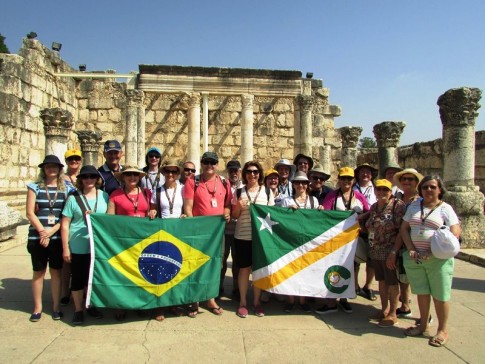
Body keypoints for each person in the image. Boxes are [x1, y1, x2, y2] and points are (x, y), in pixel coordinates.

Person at [401, 176, 460, 347]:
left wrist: (436, 247)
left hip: (438, 259)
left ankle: (442, 330)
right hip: (416, 257)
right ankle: (423, 325)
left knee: (440, 296)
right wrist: (411, 248)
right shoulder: (414, 206)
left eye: (432, 187)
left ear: (439, 189)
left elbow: (455, 231)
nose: (428, 190)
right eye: (425, 187)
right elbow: (404, 228)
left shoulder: (445, 209)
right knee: (422, 293)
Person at [183, 151, 232, 318]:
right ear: (202, 164)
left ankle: (210, 298)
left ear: (217, 165)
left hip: (217, 232)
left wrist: (227, 214)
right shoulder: (193, 182)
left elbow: (227, 206)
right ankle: (195, 300)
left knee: (216, 264)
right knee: (197, 264)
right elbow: (188, 207)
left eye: (213, 162)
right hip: (199, 232)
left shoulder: (225, 183)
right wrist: (193, 226)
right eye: (206, 162)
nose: (209, 165)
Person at [316, 166, 369, 315]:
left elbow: (369, 211)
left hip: (353, 239)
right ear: (339, 180)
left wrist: (362, 219)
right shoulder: (332, 196)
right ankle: (332, 300)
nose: (346, 181)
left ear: (353, 180)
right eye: (343, 178)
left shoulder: (359, 196)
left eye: (349, 179)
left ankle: (345, 299)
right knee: (334, 268)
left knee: (352, 268)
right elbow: (325, 215)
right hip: (336, 240)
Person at [61, 165, 109, 325]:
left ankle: (90, 305)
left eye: (92, 176)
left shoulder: (104, 196)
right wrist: (66, 247)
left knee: (93, 278)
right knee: (78, 278)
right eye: (85, 177)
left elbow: (109, 220)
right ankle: (78, 309)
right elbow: (65, 223)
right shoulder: (73, 198)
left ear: (97, 179)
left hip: (98, 245)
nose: (89, 179)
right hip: (78, 245)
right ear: (80, 179)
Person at [26, 155, 71, 322]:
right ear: (43, 169)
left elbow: (67, 214)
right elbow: (30, 212)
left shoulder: (66, 188)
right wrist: (42, 232)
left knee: (56, 272)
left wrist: (51, 231)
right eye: (48, 166)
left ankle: (55, 306)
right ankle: (37, 307)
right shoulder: (34, 187)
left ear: (59, 169)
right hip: (37, 235)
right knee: (38, 272)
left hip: (57, 235)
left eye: (54, 166)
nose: (51, 169)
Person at [108, 166, 152, 320]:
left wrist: (153, 212)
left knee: (141, 272)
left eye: (135, 174)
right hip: (124, 241)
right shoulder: (115, 195)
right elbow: (109, 219)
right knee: (123, 274)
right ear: (123, 177)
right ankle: (122, 305)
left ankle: (140, 304)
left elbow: (152, 211)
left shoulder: (147, 193)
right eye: (128, 174)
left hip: (143, 240)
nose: (132, 177)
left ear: (139, 177)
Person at [232, 161, 274, 318]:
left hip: (261, 238)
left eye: (255, 172)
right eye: (249, 172)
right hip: (242, 236)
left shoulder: (268, 192)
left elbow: (273, 214)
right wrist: (238, 207)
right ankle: (243, 303)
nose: (252, 174)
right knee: (244, 270)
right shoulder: (238, 192)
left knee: (258, 271)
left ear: (260, 174)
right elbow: (235, 216)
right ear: (245, 174)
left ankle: (256, 302)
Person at [362, 179, 406, 327]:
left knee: (392, 282)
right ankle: (384, 309)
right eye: (379, 189)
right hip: (375, 250)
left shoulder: (397, 206)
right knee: (381, 281)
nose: (381, 193)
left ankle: (393, 313)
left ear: (390, 192)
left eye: (385, 190)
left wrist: (395, 251)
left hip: (390, 251)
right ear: (375, 191)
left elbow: (402, 230)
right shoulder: (374, 207)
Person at [147, 159, 185, 321]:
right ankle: (160, 305)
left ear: (178, 174)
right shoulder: (158, 191)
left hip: (179, 234)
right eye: (167, 171)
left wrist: (185, 215)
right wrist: (153, 212)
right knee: (160, 269)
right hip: (162, 234)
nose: (170, 174)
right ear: (163, 173)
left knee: (176, 269)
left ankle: (174, 303)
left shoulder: (183, 189)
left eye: (174, 172)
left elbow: (189, 208)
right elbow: (154, 208)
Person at [387, 168, 424, 319]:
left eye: (411, 179)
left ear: (416, 182)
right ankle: (405, 305)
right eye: (404, 179)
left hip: (415, 243)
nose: (407, 182)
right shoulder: (398, 198)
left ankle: (425, 315)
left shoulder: (420, 201)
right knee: (403, 276)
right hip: (399, 242)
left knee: (418, 281)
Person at [281, 171, 319, 313]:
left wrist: (321, 211)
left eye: (303, 182)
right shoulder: (286, 201)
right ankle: (290, 301)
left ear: (307, 185)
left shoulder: (314, 201)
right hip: (291, 241)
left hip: (308, 241)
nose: (300, 185)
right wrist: (287, 211)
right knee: (291, 270)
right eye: (297, 182)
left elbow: (318, 221)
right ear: (293, 184)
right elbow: (279, 219)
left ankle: (303, 300)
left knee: (305, 271)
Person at [60, 148, 83, 306]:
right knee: (65, 263)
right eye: (70, 159)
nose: (74, 162)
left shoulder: (83, 178)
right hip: (63, 219)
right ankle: (64, 293)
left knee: (76, 264)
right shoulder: (60, 179)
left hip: (77, 223)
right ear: (66, 161)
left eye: (76, 159)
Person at [353, 163, 378, 301]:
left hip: (372, 228)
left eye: (368, 172)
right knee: (355, 258)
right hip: (355, 227)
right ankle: (355, 284)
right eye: (362, 171)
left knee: (371, 258)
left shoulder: (376, 189)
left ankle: (368, 285)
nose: (365, 174)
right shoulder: (353, 188)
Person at [221, 160, 243, 297]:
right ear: (227, 172)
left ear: (240, 172)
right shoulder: (223, 186)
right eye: (231, 171)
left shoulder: (244, 187)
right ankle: (219, 286)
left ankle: (236, 288)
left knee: (237, 260)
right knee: (221, 259)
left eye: (236, 170)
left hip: (238, 230)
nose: (234, 173)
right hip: (224, 230)